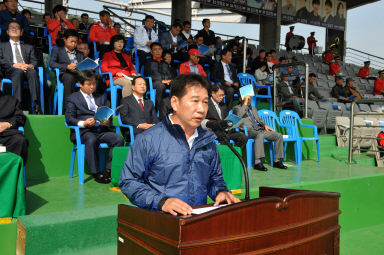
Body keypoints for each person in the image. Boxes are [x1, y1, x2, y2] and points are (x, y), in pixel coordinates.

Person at [119, 74, 240, 215]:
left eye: (205, 102)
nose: (201, 109)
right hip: (161, 222)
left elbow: (215, 178)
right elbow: (129, 182)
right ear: (175, 103)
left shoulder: (207, 140)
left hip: (197, 222)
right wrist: (161, 202)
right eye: (195, 101)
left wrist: (221, 191)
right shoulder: (149, 139)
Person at [65, 70, 124, 184]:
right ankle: (96, 172)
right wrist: (84, 123)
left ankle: (108, 170)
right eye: (88, 84)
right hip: (83, 132)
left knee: (118, 139)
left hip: (100, 129)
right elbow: (69, 118)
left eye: (94, 83)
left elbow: (107, 113)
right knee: (91, 139)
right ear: (80, 84)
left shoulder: (100, 96)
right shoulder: (72, 98)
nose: (92, 87)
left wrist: (107, 121)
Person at [233, 95, 287, 171]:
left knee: (278, 135)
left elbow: (259, 120)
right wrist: (245, 104)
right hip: (248, 131)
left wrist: (265, 125)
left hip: (259, 130)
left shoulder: (253, 108)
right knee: (260, 134)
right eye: (247, 99)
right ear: (240, 99)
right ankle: (257, 163)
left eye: (250, 99)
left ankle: (277, 161)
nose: (249, 100)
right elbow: (238, 116)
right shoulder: (237, 108)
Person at [0, 21, 41, 114]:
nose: (14, 29)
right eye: (11, 27)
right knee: (18, 72)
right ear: (7, 32)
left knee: (33, 72)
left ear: (21, 32)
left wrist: (30, 65)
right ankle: (18, 105)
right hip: (10, 70)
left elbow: (35, 61)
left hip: (26, 68)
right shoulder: (2, 46)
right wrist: (13, 64)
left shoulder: (28, 47)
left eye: (17, 28)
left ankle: (36, 104)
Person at [49, 29, 84, 100]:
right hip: (65, 74)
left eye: (75, 42)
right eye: (72, 41)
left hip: (79, 74)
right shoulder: (57, 50)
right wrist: (66, 66)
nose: (74, 44)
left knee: (94, 78)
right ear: (65, 39)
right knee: (69, 77)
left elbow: (82, 65)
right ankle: (69, 106)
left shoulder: (80, 54)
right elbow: (52, 63)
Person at [0, 90, 28, 165]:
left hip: (6, 135)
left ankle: (13, 173)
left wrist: (8, 124)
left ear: (0, 84)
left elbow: (20, 118)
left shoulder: (12, 100)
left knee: (20, 140)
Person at [144, 42, 173, 109]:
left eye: (159, 49)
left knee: (178, 85)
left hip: (166, 82)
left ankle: (173, 109)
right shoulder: (148, 62)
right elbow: (149, 74)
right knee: (161, 86)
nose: (157, 51)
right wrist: (162, 80)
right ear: (151, 52)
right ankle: (158, 109)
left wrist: (170, 80)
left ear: (162, 51)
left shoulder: (165, 63)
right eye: (155, 49)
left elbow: (170, 74)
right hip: (154, 83)